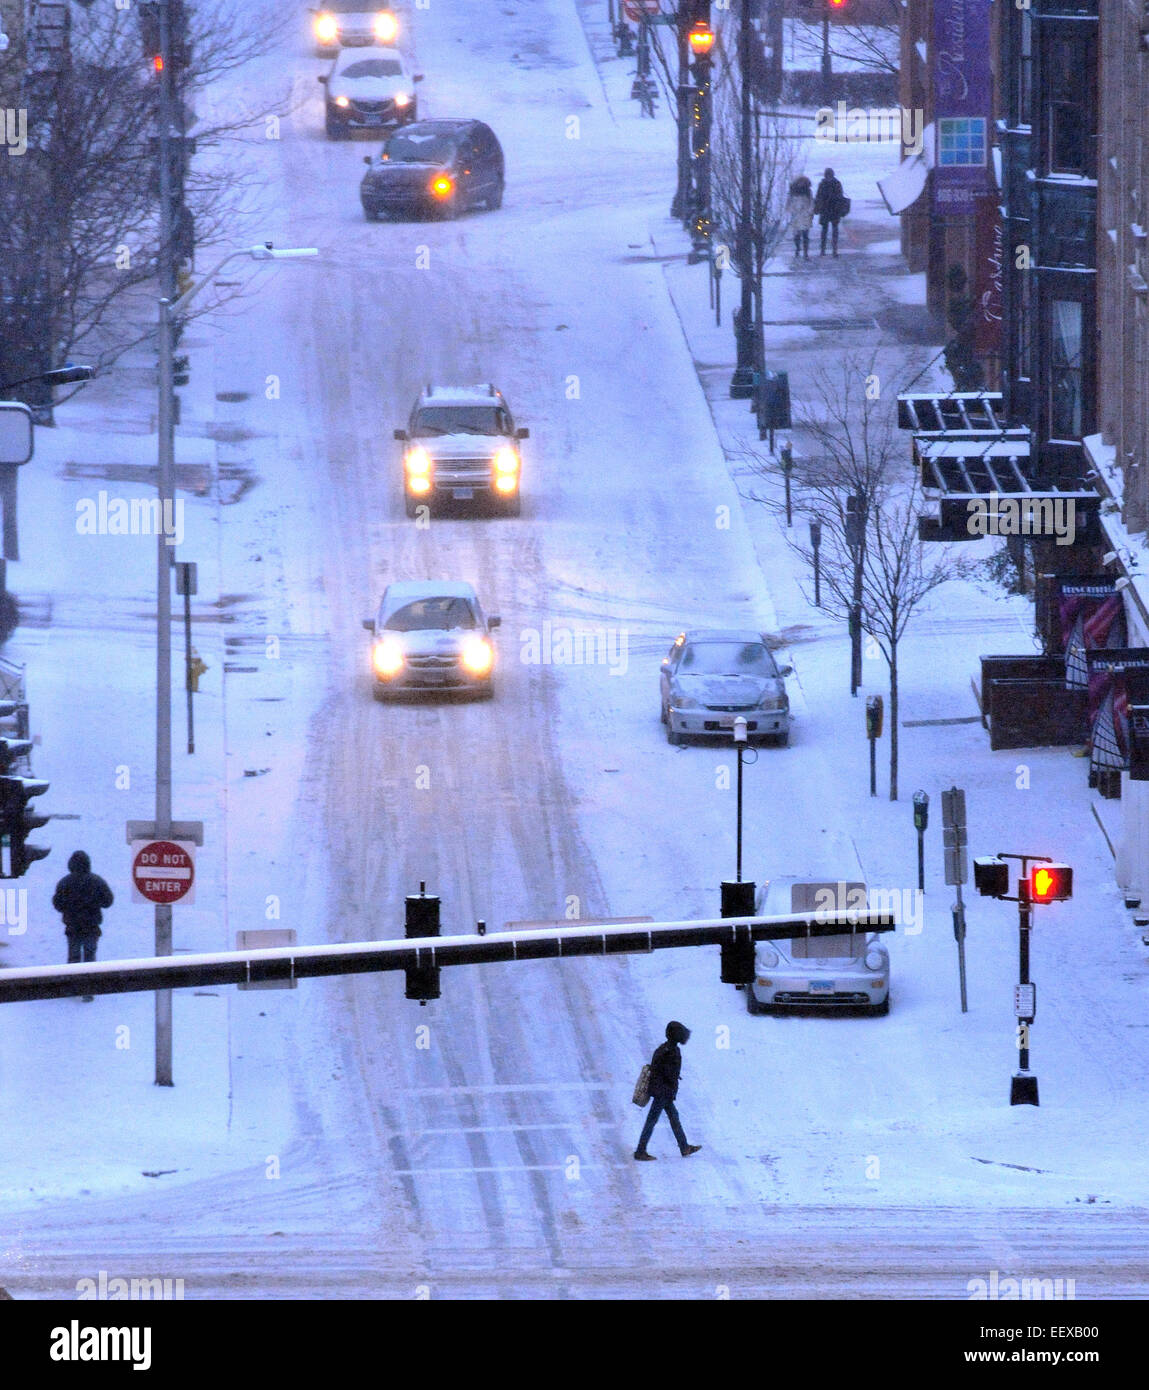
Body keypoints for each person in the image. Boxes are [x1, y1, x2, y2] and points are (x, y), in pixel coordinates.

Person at [634, 1021, 702, 1160]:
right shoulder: (671, 1052)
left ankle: (684, 1147)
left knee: (673, 1118)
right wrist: (673, 1080)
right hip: (663, 1092)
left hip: (662, 1091)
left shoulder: (664, 1049)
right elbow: (668, 1073)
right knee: (653, 1120)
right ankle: (640, 1151)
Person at [53, 850, 114, 1001]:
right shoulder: (96, 881)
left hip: (72, 926)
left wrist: (70, 907)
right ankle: (88, 991)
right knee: (89, 957)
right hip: (92, 925)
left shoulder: (65, 882)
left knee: (73, 957)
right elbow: (108, 901)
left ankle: (73, 988)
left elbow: (57, 904)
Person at [813, 167, 847, 257]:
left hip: (826, 210)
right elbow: (840, 196)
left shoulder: (822, 184)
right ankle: (833, 250)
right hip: (834, 210)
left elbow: (818, 197)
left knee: (825, 230)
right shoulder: (837, 183)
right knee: (833, 230)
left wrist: (817, 208)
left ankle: (824, 250)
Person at [786, 175, 814, 260]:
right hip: (796, 216)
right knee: (797, 235)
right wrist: (792, 211)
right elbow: (788, 204)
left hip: (805, 216)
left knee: (805, 235)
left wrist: (809, 212)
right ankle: (798, 248)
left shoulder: (808, 192)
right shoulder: (792, 192)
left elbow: (811, 203)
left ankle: (805, 253)